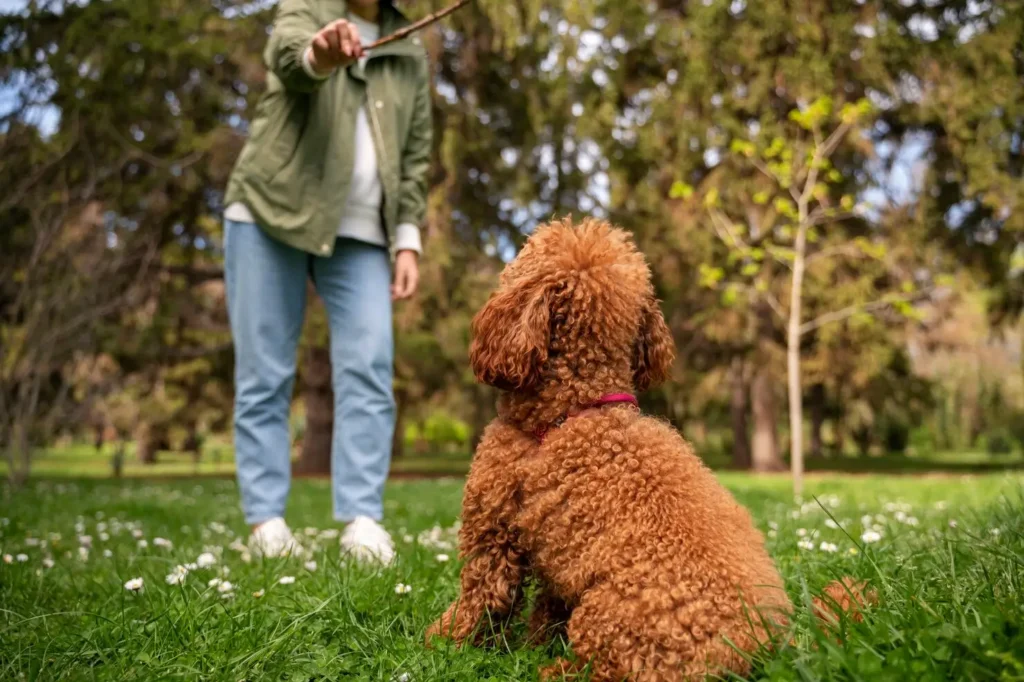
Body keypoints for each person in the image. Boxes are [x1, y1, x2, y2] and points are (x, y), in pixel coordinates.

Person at [222, 0, 431, 564]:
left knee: (369, 367)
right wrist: (321, 52)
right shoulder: (306, 7)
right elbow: (289, 58)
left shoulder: (409, 47)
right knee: (265, 372)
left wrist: (407, 236)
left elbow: (414, 154)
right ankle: (266, 526)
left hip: (362, 233)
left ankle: (363, 522)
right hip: (270, 212)